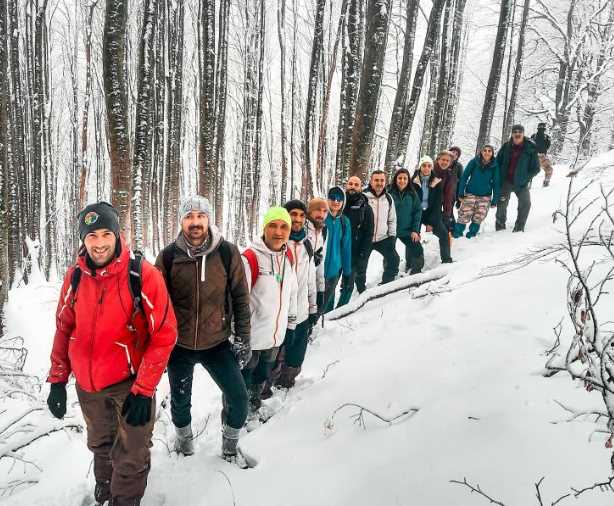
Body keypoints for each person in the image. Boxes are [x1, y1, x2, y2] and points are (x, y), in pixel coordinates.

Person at [47, 202, 177, 506]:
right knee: (101, 446)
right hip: (89, 386)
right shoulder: (75, 277)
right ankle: (105, 493)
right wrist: (57, 379)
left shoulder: (142, 275)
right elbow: (64, 329)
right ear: (83, 239)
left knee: (131, 454)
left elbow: (165, 333)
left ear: (118, 234)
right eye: (92, 236)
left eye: (107, 233)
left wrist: (144, 390)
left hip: (130, 385)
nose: (100, 242)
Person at [155, 196, 252, 468]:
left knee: (239, 398)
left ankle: (230, 446)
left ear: (209, 219)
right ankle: (184, 445)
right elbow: (154, 305)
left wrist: (243, 338)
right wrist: (157, 347)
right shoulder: (168, 256)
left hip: (217, 343)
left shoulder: (227, 253)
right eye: (189, 217)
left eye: (200, 216)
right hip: (179, 345)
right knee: (180, 401)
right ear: (181, 221)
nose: (195, 222)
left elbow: (241, 299)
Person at [241, 207, 298, 418]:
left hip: (274, 337)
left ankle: (252, 409)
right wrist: (240, 338)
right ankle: (233, 420)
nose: (278, 231)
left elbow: (292, 291)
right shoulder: (249, 259)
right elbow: (237, 301)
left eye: (284, 227)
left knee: (260, 378)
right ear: (264, 228)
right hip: (251, 338)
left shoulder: (288, 256)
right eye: (273, 225)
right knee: (240, 385)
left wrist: (290, 324)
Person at [269, 200, 318, 389]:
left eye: (301, 215)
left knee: (297, 355)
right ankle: (264, 391)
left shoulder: (307, 245)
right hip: (280, 314)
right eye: (293, 214)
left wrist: (313, 307)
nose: (297, 219)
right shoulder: (277, 244)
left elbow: (310, 278)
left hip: (302, 312)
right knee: (274, 357)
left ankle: (286, 384)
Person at [495, 124, 540, 232]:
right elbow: (497, 162)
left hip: (521, 183)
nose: (517, 134)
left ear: (523, 134)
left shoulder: (530, 147)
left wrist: (525, 178)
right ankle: (500, 227)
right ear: (512, 134)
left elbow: (536, 168)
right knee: (501, 205)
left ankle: (519, 228)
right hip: (506, 181)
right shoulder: (506, 146)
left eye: (520, 132)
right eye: (515, 132)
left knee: (526, 204)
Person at [453, 145, 500, 239]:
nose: (487, 152)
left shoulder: (495, 165)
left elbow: (496, 183)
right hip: (470, 193)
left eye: (489, 151)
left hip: (485, 196)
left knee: (479, 216)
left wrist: (495, 199)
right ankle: (457, 233)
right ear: (481, 152)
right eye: (485, 150)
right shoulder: (474, 162)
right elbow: (464, 177)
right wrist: (461, 192)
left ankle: (472, 234)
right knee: (464, 214)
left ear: (492, 153)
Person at [412, 156, 453, 264]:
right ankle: (410, 263)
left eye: (429, 166)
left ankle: (446, 259)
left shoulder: (436, 182)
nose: (426, 168)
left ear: (432, 167)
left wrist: (431, 222)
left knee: (444, 234)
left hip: (431, 213)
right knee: (413, 236)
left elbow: (437, 203)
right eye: (424, 165)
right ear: (420, 167)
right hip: (417, 213)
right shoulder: (413, 181)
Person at [362, 170, 399, 286]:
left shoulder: (388, 198)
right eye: (376, 180)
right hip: (365, 239)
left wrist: (392, 236)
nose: (379, 183)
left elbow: (392, 219)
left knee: (394, 259)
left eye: (382, 180)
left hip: (383, 238)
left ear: (385, 182)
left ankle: (386, 283)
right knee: (360, 267)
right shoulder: (363, 197)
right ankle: (361, 289)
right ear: (371, 181)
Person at [340, 175, 374, 299]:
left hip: (354, 253)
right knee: (330, 283)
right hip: (337, 251)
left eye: (356, 184)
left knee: (348, 285)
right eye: (350, 183)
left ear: (361, 188)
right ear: (346, 185)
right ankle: (326, 313)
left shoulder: (366, 208)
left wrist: (363, 254)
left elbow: (369, 233)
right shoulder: (338, 204)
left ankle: (341, 311)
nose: (352, 187)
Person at [389, 166, 424, 274]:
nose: (402, 181)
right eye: (400, 178)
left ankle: (415, 273)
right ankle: (389, 275)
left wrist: (415, 230)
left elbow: (418, 212)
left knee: (418, 250)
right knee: (389, 255)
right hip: (391, 231)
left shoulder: (412, 194)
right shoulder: (389, 192)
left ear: (408, 180)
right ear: (396, 179)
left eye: (405, 178)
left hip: (407, 230)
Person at [322, 186, 352, 312]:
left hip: (334, 271)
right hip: (317, 271)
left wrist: (347, 273)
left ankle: (326, 329)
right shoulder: (321, 218)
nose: (336, 201)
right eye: (332, 198)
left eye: (339, 199)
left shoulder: (344, 222)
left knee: (327, 306)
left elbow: (346, 249)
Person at [306, 198, 328, 314]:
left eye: (325, 211)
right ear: (309, 212)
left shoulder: (323, 231)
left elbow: (320, 262)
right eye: (318, 210)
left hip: (313, 284)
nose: (321, 214)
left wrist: (321, 290)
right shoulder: (302, 229)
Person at [433, 150, 458, 231]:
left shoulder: (450, 175)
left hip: (438, 203)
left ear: (450, 163)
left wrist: (447, 214)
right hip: (423, 203)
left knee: (444, 225)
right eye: (443, 159)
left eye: (447, 161)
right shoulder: (429, 168)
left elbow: (448, 196)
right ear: (438, 159)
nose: (445, 162)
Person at [530, 122, 553, 187]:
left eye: (542, 129)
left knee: (529, 170)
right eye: (541, 128)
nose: (541, 130)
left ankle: (545, 182)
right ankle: (546, 182)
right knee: (549, 169)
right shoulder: (546, 137)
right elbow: (548, 146)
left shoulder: (533, 136)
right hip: (540, 156)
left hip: (536, 156)